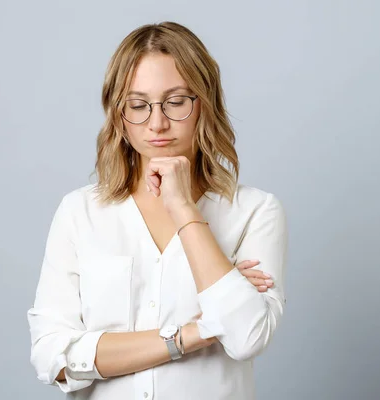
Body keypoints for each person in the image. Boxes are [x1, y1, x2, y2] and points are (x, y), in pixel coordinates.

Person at [27, 21, 288, 400]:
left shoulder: (255, 212)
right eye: (138, 105)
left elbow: (247, 336)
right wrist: (191, 334)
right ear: (119, 115)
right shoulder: (79, 212)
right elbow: (54, 357)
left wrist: (183, 208)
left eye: (176, 101)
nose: (157, 123)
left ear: (205, 103)